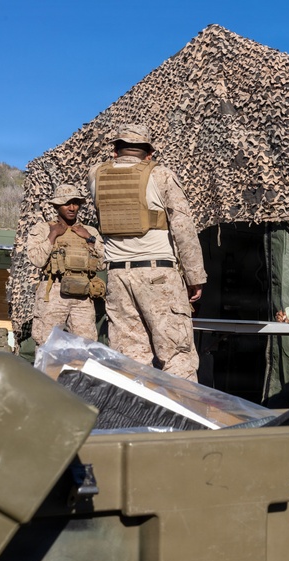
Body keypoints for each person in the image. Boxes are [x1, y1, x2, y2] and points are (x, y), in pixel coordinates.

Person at [87, 124, 206, 381]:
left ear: (115, 150)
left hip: (118, 278)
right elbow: (183, 228)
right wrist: (195, 276)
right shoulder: (161, 175)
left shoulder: (96, 174)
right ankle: (184, 420)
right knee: (176, 356)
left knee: (129, 362)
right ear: (149, 153)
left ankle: (135, 418)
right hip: (158, 275)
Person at [26, 184, 104, 345]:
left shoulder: (90, 231)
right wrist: (53, 235)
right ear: (56, 205)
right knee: (47, 343)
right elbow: (37, 260)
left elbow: (103, 263)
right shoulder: (42, 229)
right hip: (54, 291)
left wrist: (89, 238)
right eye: (66, 203)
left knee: (86, 346)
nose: (72, 207)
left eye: (75, 203)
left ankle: (79, 372)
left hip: (83, 294)